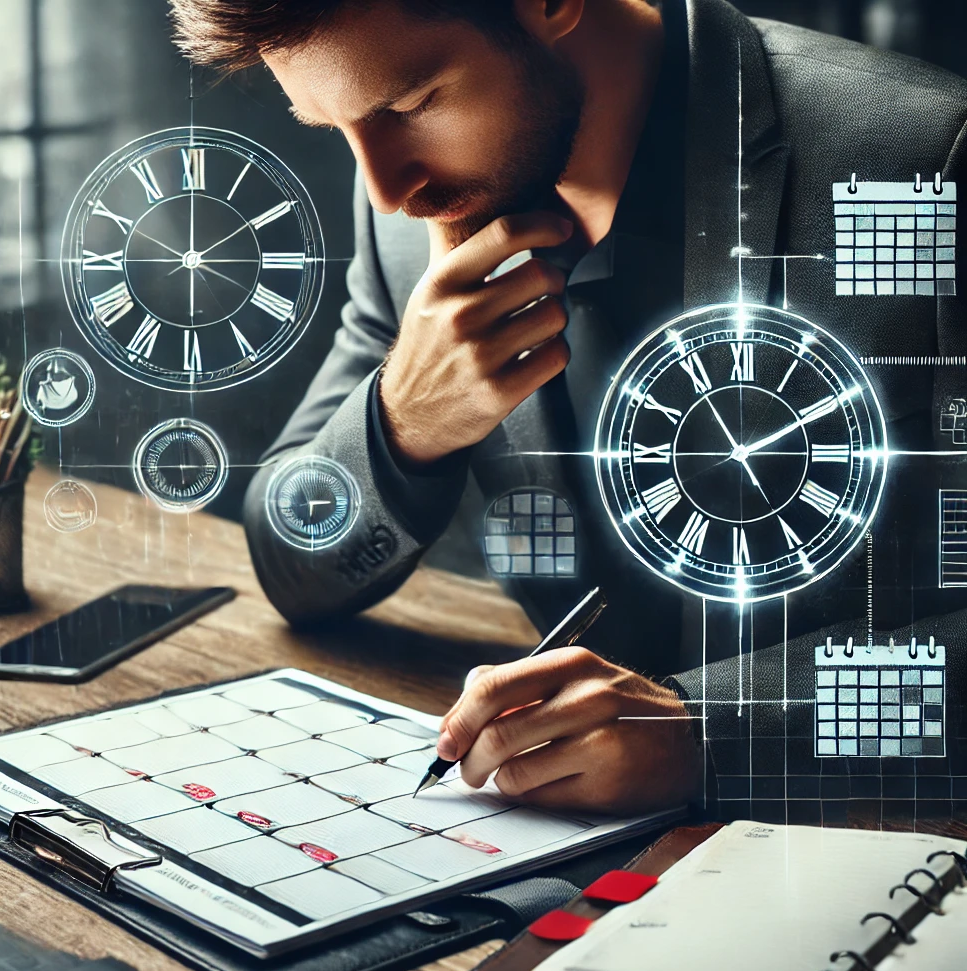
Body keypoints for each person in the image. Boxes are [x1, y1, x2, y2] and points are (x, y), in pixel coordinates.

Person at [171, 0, 967, 823]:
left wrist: (713, 731)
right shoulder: (412, 205)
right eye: (329, 127)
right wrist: (402, 420)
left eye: (410, 105)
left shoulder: (923, 163)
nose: (385, 190)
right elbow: (287, 553)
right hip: (555, 845)